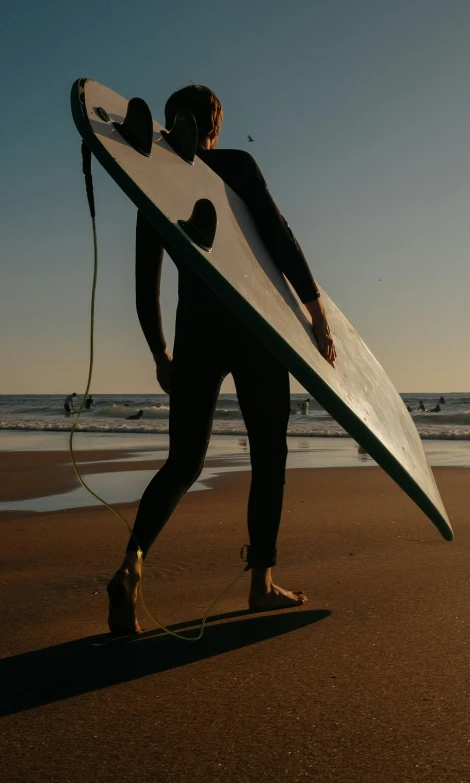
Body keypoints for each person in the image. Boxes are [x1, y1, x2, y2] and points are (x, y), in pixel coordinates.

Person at [107, 85, 337, 635]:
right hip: (255, 327)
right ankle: (260, 585)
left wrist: (159, 350)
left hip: (197, 332)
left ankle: (129, 568)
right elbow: (279, 235)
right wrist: (315, 310)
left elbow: (146, 284)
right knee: (268, 455)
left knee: (184, 462)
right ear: (217, 126)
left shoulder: (155, 181)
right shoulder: (236, 164)